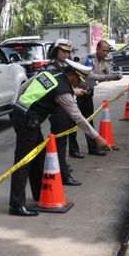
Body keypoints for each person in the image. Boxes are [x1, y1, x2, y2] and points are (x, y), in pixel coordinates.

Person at [8, 60, 110, 216]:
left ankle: (38, 194)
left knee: (38, 157)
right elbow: (78, 117)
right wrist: (97, 138)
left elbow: (23, 88)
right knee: (24, 162)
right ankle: (16, 205)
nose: (78, 84)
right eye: (77, 81)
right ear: (70, 75)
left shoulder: (48, 73)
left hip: (20, 114)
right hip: (28, 121)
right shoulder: (62, 91)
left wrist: (21, 107)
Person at [45, 39, 83, 185]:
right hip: (57, 109)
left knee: (63, 141)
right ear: (56, 51)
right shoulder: (51, 68)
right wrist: (74, 91)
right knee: (60, 142)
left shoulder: (65, 65)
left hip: (64, 107)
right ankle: (64, 176)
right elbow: (55, 89)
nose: (66, 54)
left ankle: (62, 167)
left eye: (68, 51)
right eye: (63, 51)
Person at [75, 39, 122, 156]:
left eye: (107, 51)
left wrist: (116, 76)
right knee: (73, 123)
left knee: (89, 120)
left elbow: (109, 73)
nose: (105, 53)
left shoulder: (105, 61)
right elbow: (89, 75)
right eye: (103, 50)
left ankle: (93, 148)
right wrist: (107, 77)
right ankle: (73, 150)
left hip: (88, 93)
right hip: (77, 92)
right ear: (97, 49)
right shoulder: (89, 59)